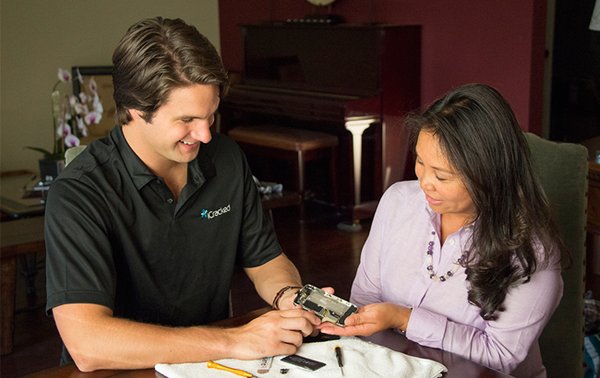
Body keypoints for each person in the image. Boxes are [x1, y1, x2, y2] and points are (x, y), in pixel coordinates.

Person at [44, 17, 321, 372]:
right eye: (186, 120)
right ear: (134, 109)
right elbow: (88, 344)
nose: (205, 135)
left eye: (211, 115)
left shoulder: (226, 159)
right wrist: (234, 340)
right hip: (121, 370)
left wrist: (289, 296)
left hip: (211, 364)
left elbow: (265, 260)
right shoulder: (79, 194)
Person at [319, 83, 565, 377]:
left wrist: (404, 319)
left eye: (442, 175)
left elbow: (500, 357)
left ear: (489, 175)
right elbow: (365, 298)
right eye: (421, 163)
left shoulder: (530, 250)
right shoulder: (399, 202)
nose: (424, 182)